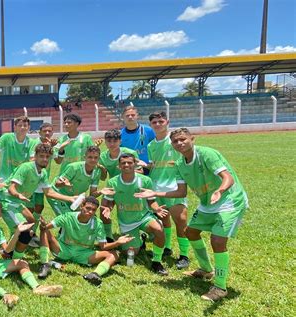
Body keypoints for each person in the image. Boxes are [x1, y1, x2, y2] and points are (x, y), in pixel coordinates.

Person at [135, 128, 248, 301]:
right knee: (191, 232)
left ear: (192, 139)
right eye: (175, 141)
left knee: (217, 241)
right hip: (207, 203)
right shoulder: (179, 164)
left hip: (229, 200)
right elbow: (180, 192)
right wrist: (155, 193)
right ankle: (206, 270)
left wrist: (220, 191)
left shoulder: (207, 154)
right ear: (171, 144)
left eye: (183, 139)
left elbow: (228, 177)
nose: (179, 143)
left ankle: (220, 286)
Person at [0, 201, 63, 309]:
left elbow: (7, 250)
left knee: (22, 263)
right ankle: (5, 294)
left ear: (0, 215)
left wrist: (17, 233)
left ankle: (37, 287)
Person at [0, 143, 77, 261]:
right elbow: (11, 188)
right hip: (7, 202)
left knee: (32, 221)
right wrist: (18, 195)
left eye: (47, 157)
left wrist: (70, 198)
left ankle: (11, 246)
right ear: (35, 156)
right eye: (41, 156)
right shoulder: (26, 167)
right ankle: (10, 255)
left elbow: (49, 192)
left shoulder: (43, 173)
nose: (44, 159)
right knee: (25, 230)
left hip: (18, 203)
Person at [38, 196, 133, 285]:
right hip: (63, 249)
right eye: (88, 208)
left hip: (84, 254)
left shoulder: (98, 223)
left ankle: (95, 274)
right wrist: (43, 225)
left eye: (93, 210)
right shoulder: (68, 216)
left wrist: (117, 242)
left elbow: (103, 246)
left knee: (114, 254)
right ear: (81, 206)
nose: (90, 212)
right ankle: (45, 265)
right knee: (44, 230)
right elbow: (46, 227)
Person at [101, 153, 170, 276]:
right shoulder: (113, 182)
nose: (126, 165)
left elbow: (151, 201)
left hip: (144, 217)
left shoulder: (145, 180)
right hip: (127, 222)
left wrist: (157, 209)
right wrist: (108, 209)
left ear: (135, 164)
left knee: (159, 230)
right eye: (123, 163)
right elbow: (109, 203)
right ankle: (141, 241)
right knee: (130, 254)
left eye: (129, 162)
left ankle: (156, 262)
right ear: (119, 166)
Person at [140, 112, 190, 269]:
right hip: (156, 188)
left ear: (167, 122)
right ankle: (167, 247)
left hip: (175, 187)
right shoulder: (151, 145)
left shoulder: (175, 141)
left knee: (180, 221)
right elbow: (155, 165)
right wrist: (144, 165)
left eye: (161, 121)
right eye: (154, 122)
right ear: (151, 125)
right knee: (164, 219)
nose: (157, 124)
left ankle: (184, 255)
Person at [47, 145, 111, 216]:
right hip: (58, 195)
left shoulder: (97, 172)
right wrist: (64, 184)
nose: (93, 160)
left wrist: (101, 191)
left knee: (86, 217)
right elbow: (57, 184)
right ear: (84, 158)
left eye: (95, 158)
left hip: (75, 198)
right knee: (67, 220)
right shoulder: (74, 167)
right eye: (90, 157)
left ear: (99, 158)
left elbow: (92, 194)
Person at [0, 116, 31, 198]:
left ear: (29, 127)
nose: (22, 127)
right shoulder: (6, 138)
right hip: (3, 181)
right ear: (14, 127)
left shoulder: (30, 142)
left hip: (19, 182)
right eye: (20, 125)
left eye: (25, 125)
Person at [28, 122, 58, 218]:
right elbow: (31, 160)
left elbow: (58, 160)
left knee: (39, 207)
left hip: (43, 179)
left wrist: (56, 148)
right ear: (40, 132)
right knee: (29, 208)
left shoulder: (53, 144)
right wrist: (47, 148)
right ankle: (26, 230)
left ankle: (33, 229)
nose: (47, 133)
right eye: (45, 131)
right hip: (31, 179)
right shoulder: (34, 143)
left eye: (49, 131)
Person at [120, 106, 155, 173]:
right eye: (127, 115)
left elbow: (155, 147)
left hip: (147, 167)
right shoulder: (120, 134)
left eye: (133, 115)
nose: (130, 117)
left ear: (137, 116)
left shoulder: (148, 130)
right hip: (130, 168)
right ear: (123, 117)